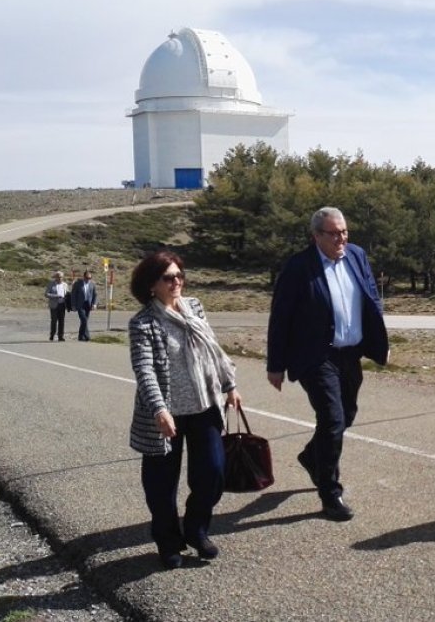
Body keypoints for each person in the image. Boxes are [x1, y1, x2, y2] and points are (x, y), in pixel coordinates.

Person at [267, 207, 389, 522]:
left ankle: (312, 456)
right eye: (333, 233)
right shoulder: (298, 268)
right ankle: (330, 493)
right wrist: (275, 364)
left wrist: (378, 339)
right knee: (332, 419)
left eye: (344, 232)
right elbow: (280, 318)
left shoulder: (357, 255)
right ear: (316, 236)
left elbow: (371, 295)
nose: (341, 239)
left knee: (346, 415)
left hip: (350, 353)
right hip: (315, 356)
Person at [128, 250, 242, 569]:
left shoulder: (194, 307)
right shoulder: (143, 322)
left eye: (180, 275)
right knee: (161, 486)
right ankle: (167, 541)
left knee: (213, 473)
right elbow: (144, 369)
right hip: (165, 416)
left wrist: (229, 384)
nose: (177, 281)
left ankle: (196, 528)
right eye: (168, 277)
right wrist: (159, 409)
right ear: (152, 284)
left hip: (205, 406)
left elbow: (213, 349)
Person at [70, 270, 98, 341]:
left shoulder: (92, 284)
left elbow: (95, 294)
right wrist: (73, 305)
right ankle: (87, 336)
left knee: (84, 321)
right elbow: (73, 294)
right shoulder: (78, 284)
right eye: (87, 278)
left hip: (88, 305)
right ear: (84, 277)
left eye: (90, 278)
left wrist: (94, 304)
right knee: (84, 320)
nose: (88, 279)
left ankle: (81, 336)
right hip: (80, 305)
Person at [44, 271, 68, 341]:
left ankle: (61, 336)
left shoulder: (65, 285)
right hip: (54, 305)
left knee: (61, 321)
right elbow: (46, 294)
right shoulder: (51, 284)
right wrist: (56, 296)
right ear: (55, 277)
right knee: (54, 320)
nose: (59, 278)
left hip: (62, 305)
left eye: (61, 277)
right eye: (58, 277)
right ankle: (52, 334)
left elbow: (67, 294)